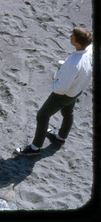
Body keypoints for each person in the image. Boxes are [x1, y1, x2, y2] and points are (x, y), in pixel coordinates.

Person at [15, 27, 93, 156]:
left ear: (78, 44)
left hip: (62, 96)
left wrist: (56, 80)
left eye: (72, 37)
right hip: (77, 90)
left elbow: (61, 88)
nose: (70, 36)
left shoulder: (74, 63)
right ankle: (61, 137)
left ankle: (35, 148)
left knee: (42, 116)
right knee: (68, 112)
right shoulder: (90, 50)